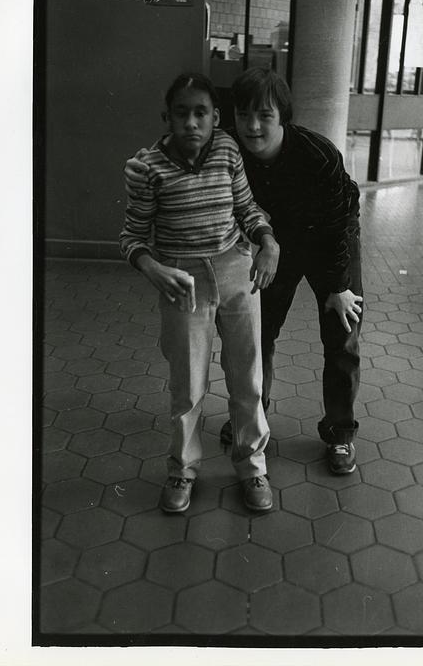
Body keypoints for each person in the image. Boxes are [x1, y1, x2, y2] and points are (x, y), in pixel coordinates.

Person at [125, 67, 363, 476]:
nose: (253, 126)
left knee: (341, 337)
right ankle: (252, 419)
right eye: (245, 114)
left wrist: (338, 286)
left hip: (330, 244)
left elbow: (341, 219)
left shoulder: (317, 153)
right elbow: (185, 152)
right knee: (260, 334)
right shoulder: (228, 146)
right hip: (272, 247)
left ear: (282, 116)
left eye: (265, 116)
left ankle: (340, 433)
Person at [119, 72, 279, 514]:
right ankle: (183, 469)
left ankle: (252, 466)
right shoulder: (147, 168)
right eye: (182, 113)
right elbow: (132, 237)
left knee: (247, 376)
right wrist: (153, 269)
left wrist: (266, 240)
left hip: (236, 272)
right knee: (187, 386)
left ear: (215, 117)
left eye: (201, 113)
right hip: (183, 283)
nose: (192, 122)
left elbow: (246, 206)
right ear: (167, 117)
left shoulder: (227, 149)